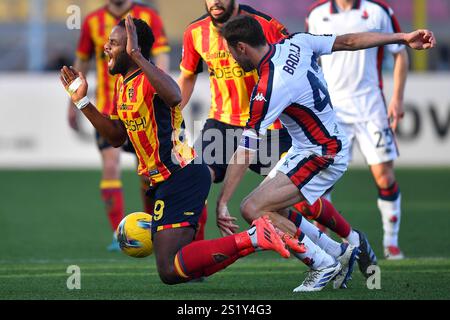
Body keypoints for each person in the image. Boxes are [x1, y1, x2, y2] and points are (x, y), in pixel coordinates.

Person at [60, 16, 299, 285]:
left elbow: (174, 96)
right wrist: (82, 102)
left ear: (132, 48)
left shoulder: (149, 77)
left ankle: (256, 238)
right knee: (173, 268)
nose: (106, 48)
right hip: (166, 180)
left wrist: (137, 56)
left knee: (170, 269)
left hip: (181, 174)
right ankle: (263, 240)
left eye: (113, 43)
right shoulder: (123, 84)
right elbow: (116, 136)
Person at [218, 15, 434, 291]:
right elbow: (350, 40)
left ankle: (322, 264)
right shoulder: (297, 42)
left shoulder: (269, 87)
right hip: (310, 148)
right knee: (274, 206)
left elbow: (247, 147)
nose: (233, 60)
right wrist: (402, 37)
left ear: (242, 48)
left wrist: (222, 201)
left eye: (231, 53)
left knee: (252, 208)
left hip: (323, 154)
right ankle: (340, 252)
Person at [179, 0, 364, 277]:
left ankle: (351, 239)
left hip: (271, 126)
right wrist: (173, 116)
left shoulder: (264, 24)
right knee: (196, 179)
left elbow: (295, 59)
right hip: (222, 124)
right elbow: (187, 77)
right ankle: (199, 259)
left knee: (296, 200)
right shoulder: (194, 31)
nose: (215, 1)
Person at [306, 0, 409, 260]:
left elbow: (400, 53)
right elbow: (311, 61)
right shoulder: (317, 15)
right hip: (332, 111)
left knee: (384, 176)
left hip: (370, 107)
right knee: (323, 180)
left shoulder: (378, 11)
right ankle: (325, 244)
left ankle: (391, 242)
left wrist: (397, 97)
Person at [68, 0, 171, 251]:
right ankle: (119, 234)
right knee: (111, 166)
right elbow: (82, 61)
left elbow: (162, 56)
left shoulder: (148, 16)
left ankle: (153, 229)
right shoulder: (92, 21)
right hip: (108, 108)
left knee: (149, 174)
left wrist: (160, 89)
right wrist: (73, 103)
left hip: (143, 108)